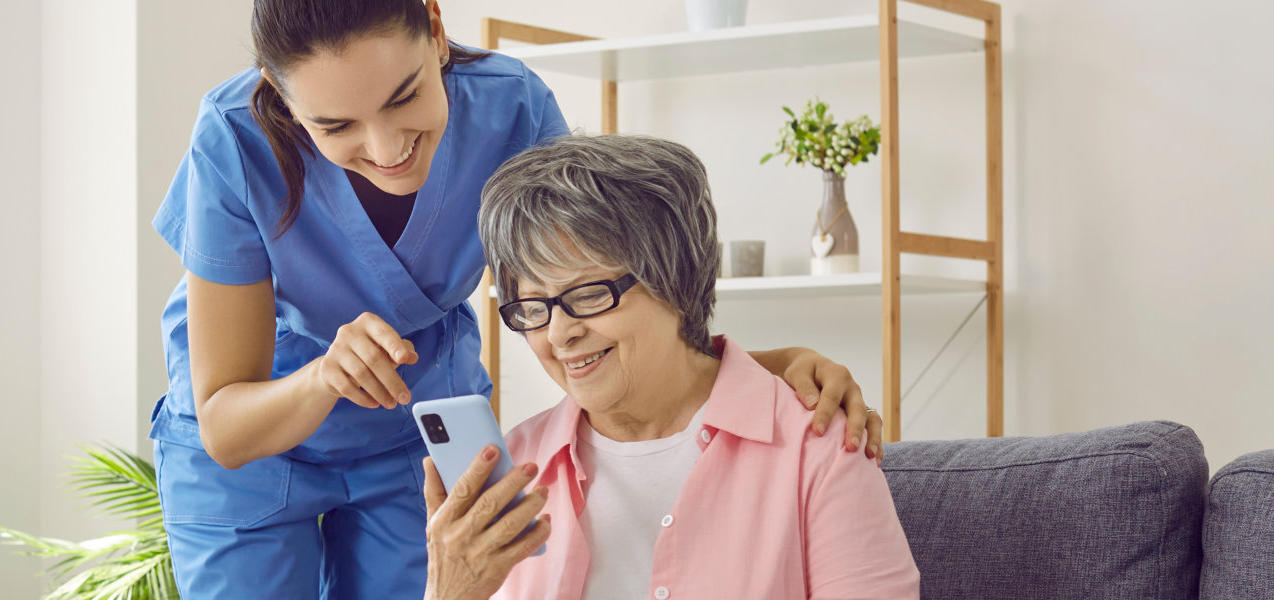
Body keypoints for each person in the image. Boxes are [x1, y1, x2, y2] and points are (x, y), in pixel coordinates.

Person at [151, 1, 888, 597]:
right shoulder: (234, 140)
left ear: (436, 30)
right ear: (282, 98)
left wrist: (759, 371)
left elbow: (598, 298)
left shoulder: (509, 107)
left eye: (404, 96)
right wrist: (323, 375)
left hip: (421, 425)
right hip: (256, 439)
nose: (385, 148)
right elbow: (224, 426)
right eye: (336, 127)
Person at [423, 134, 919, 600]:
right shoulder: (512, 472)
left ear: (675, 280)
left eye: (589, 294)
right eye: (532, 307)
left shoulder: (816, 447)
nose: (558, 334)